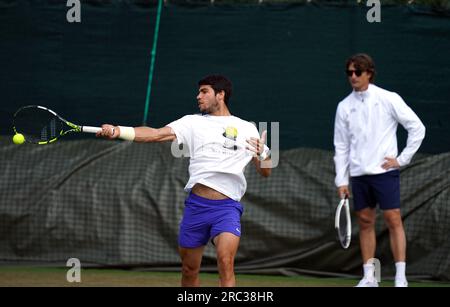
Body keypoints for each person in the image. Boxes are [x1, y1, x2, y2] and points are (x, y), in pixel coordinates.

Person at [97, 75, 272, 287]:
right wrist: (118, 131)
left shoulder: (247, 128)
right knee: (189, 270)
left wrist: (263, 154)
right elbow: (156, 134)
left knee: (226, 262)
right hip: (197, 207)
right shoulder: (191, 122)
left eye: (204, 91)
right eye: (198, 92)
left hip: (227, 208)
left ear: (221, 95)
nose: (198, 96)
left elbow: (266, 172)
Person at [333, 54, 425, 287]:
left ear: (369, 74)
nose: (353, 77)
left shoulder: (388, 98)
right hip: (358, 174)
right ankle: (369, 277)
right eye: (349, 73)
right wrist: (341, 180)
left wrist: (402, 160)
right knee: (365, 222)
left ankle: (401, 278)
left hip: (385, 172)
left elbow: (417, 128)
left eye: (357, 72)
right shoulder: (344, 107)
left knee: (393, 218)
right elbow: (341, 146)